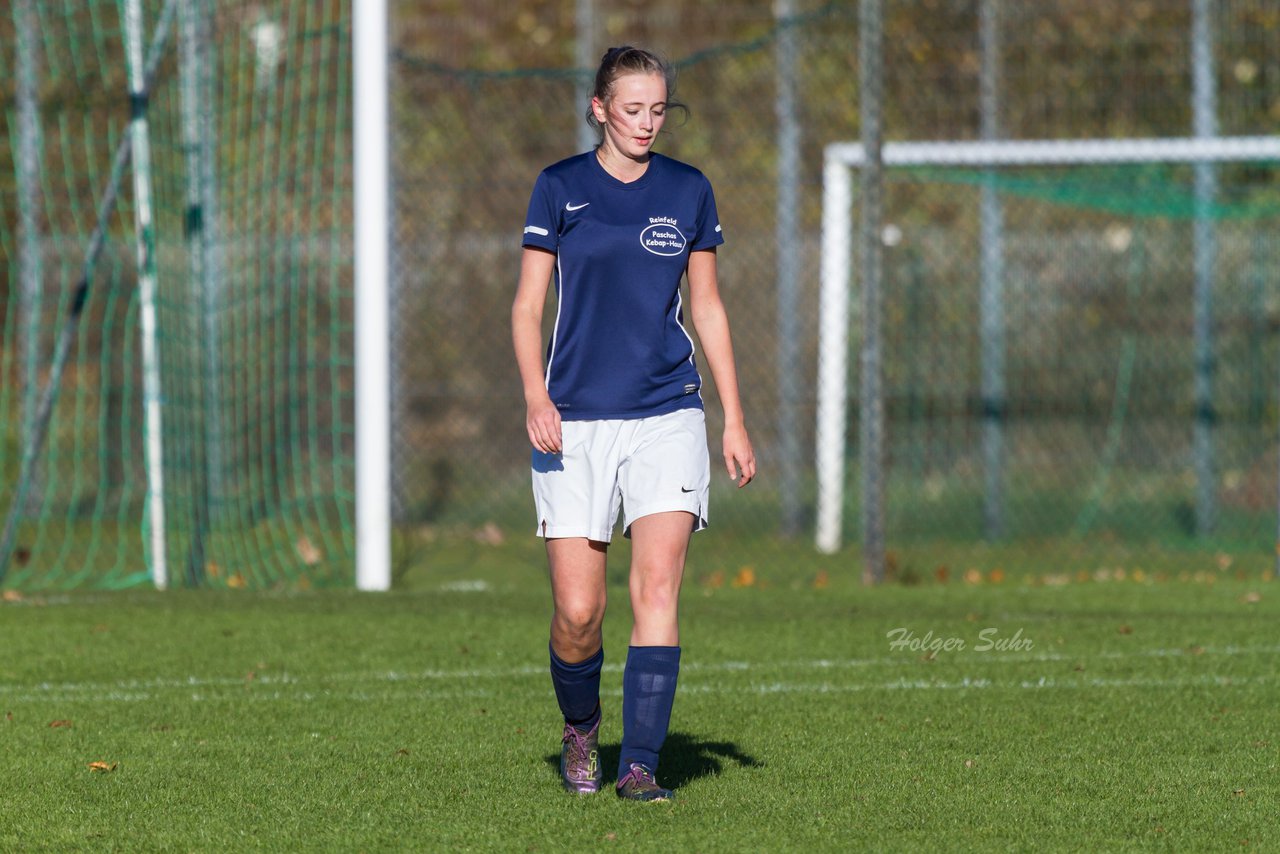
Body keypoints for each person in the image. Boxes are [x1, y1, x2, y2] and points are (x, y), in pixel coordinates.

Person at [511, 45, 755, 802]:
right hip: (575, 422)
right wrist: (535, 396)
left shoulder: (689, 190)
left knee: (658, 589)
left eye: (658, 110)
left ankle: (641, 764)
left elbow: (707, 307)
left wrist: (734, 417)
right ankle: (581, 728)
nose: (646, 123)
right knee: (579, 614)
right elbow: (527, 308)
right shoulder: (559, 188)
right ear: (599, 110)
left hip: (667, 413)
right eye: (632, 109)